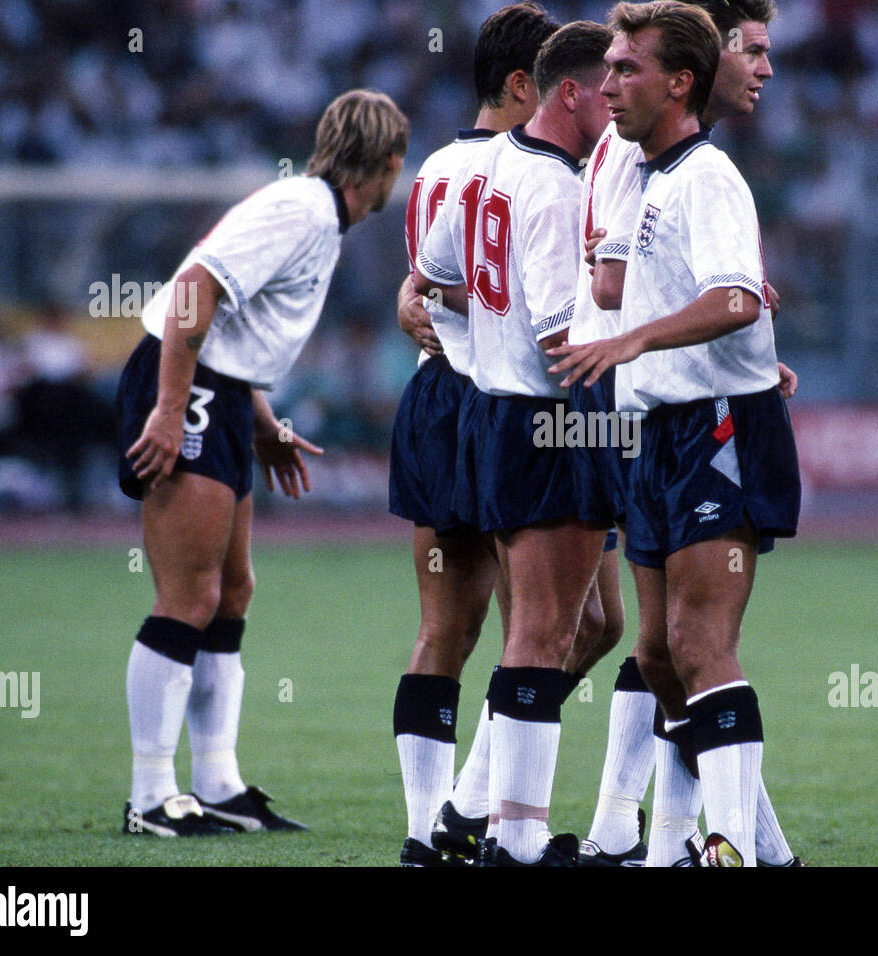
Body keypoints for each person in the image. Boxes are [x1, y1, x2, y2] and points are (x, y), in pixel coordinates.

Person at [549, 0, 801, 866]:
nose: (606, 84)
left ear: (679, 82)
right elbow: (692, 297)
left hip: (715, 429)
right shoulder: (650, 174)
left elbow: (734, 297)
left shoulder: (705, 175)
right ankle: (764, 851)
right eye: (610, 68)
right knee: (656, 656)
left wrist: (637, 339)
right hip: (658, 426)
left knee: (699, 647)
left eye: (626, 70)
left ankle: (721, 848)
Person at [118, 89, 408, 836]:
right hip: (186, 386)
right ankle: (150, 796)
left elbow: (234, 329)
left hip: (217, 393)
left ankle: (215, 782)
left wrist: (264, 422)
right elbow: (193, 292)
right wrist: (170, 407)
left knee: (232, 590)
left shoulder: (319, 218)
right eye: (397, 165)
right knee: (189, 593)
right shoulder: (303, 211)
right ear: (382, 164)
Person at [414, 19, 615, 866]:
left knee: (556, 628)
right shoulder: (560, 188)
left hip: (490, 417)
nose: (620, 102)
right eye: (609, 87)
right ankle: (516, 841)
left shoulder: (485, 164)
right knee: (545, 634)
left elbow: (435, 273)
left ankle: (483, 819)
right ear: (569, 92)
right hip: (550, 418)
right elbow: (559, 332)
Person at [388, 1, 561, 868]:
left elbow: (423, 285)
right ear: (525, 84)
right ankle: (471, 806)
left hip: (433, 400)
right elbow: (513, 296)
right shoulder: (536, 168)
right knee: (579, 619)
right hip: (506, 399)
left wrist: (410, 300)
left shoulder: (436, 167)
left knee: (444, 628)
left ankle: (429, 831)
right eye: (568, 80)